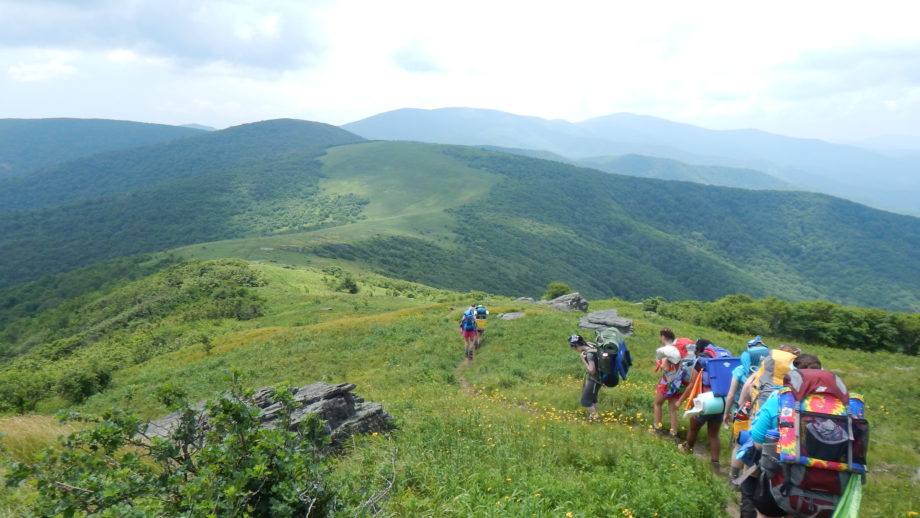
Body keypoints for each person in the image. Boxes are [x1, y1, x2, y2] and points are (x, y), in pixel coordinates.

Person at [745, 353, 824, 518]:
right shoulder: (836, 405)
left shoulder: (780, 399)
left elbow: (758, 442)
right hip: (823, 483)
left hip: (779, 477)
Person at [677, 339, 723, 473]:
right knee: (714, 435)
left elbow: (691, 385)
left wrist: (680, 400)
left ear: (699, 349)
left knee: (693, 428)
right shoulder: (718, 360)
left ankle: (687, 450)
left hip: (705, 401)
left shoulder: (701, 361)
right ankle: (716, 464)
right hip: (720, 401)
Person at [651, 327, 686, 438]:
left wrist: (661, 362)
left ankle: (657, 429)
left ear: (663, 337)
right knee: (673, 408)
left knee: (657, 403)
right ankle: (673, 433)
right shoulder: (679, 349)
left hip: (668, 383)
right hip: (680, 383)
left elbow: (665, 368)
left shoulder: (667, 351)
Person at [569, 334, 601, 420]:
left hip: (595, 380)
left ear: (577, 345)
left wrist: (583, 359)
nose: (574, 349)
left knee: (585, 401)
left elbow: (592, 370)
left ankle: (597, 418)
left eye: (573, 347)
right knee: (592, 399)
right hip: (598, 378)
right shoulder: (591, 345)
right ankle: (593, 416)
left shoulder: (589, 354)